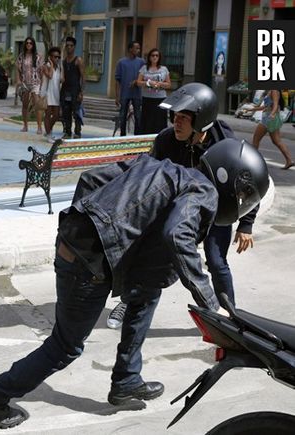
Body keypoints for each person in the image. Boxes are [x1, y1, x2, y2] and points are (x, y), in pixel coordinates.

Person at [0, 138, 269, 429]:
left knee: (147, 292)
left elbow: (91, 179)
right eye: (245, 196)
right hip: (88, 262)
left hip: (80, 247)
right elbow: (177, 235)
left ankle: (126, 380)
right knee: (65, 346)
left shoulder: (159, 167)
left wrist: (85, 229)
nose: (242, 203)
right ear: (231, 181)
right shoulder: (204, 190)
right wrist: (212, 304)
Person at [107, 82, 260, 328]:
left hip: (215, 211)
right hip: (178, 209)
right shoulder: (167, 141)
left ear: (201, 120)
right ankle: (128, 300)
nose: (176, 123)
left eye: (183, 118)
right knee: (143, 251)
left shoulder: (225, 145)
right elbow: (147, 176)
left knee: (217, 262)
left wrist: (247, 224)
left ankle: (230, 319)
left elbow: (250, 183)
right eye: (174, 117)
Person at [249, 89, 293, 169]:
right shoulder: (270, 91)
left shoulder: (274, 91)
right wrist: (252, 109)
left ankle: (252, 162)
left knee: (256, 140)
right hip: (270, 117)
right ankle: (289, 160)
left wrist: (272, 114)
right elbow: (265, 106)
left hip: (268, 119)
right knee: (277, 141)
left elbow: (276, 105)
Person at [136, 48, 170, 134]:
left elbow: (169, 84)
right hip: (147, 98)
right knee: (147, 119)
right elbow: (138, 82)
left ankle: (160, 137)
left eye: (157, 55)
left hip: (160, 98)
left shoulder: (164, 69)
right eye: (153, 55)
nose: (155, 57)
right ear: (149, 57)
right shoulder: (144, 68)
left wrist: (160, 84)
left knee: (160, 120)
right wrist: (148, 83)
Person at [115, 41, 145, 136]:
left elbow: (145, 76)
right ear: (130, 49)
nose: (138, 50)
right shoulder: (121, 62)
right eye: (136, 48)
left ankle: (137, 135)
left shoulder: (141, 62)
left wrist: (136, 81)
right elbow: (117, 80)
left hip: (137, 93)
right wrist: (117, 96)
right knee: (123, 115)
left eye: (139, 48)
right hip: (124, 93)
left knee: (138, 116)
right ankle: (122, 135)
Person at [16, 37, 43, 134]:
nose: (28, 44)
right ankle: (25, 125)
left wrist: (42, 85)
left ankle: (39, 127)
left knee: (37, 105)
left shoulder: (38, 56)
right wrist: (19, 81)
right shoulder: (21, 56)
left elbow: (41, 71)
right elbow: (18, 70)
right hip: (25, 83)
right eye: (27, 43)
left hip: (35, 83)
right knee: (25, 105)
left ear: (33, 44)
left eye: (30, 43)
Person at [60, 36, 85, 139]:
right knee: (66, 112)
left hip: (75, 90)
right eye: (67, 46)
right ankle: (67, 131)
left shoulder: (78, 60)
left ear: (74, 47)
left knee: (76, 112)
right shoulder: (63, 61)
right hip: (65, 90)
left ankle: (77, 132)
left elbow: (83, 77)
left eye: (71, 46)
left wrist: (81, 92)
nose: (69, 47)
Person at [41, 46, 64, 143]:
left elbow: (62, 80)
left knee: (56, 115)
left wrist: (62, 68)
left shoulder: (59, 67)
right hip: (47, 93)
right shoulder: (46, 66)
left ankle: (48, 131)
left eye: (58, 57)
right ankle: (49, 134)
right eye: (55, 57)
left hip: (56, 93)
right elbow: (50, 76)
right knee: (48, 114)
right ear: (50, 57)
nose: (57, 59)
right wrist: (50, 64)